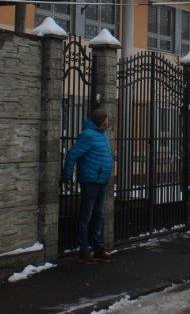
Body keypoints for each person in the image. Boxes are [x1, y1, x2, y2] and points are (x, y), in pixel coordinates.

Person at [62, 109, 114, 265]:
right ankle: (84, 250)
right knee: (86, 216)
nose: (108, 121)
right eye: (106, 119)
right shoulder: (88, 135)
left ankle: (97, 247)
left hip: (101, 181)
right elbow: (72, 154)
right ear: (100, 121)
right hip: (90, 181)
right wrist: (67, 175)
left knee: (99, 215)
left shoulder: (102, 135)